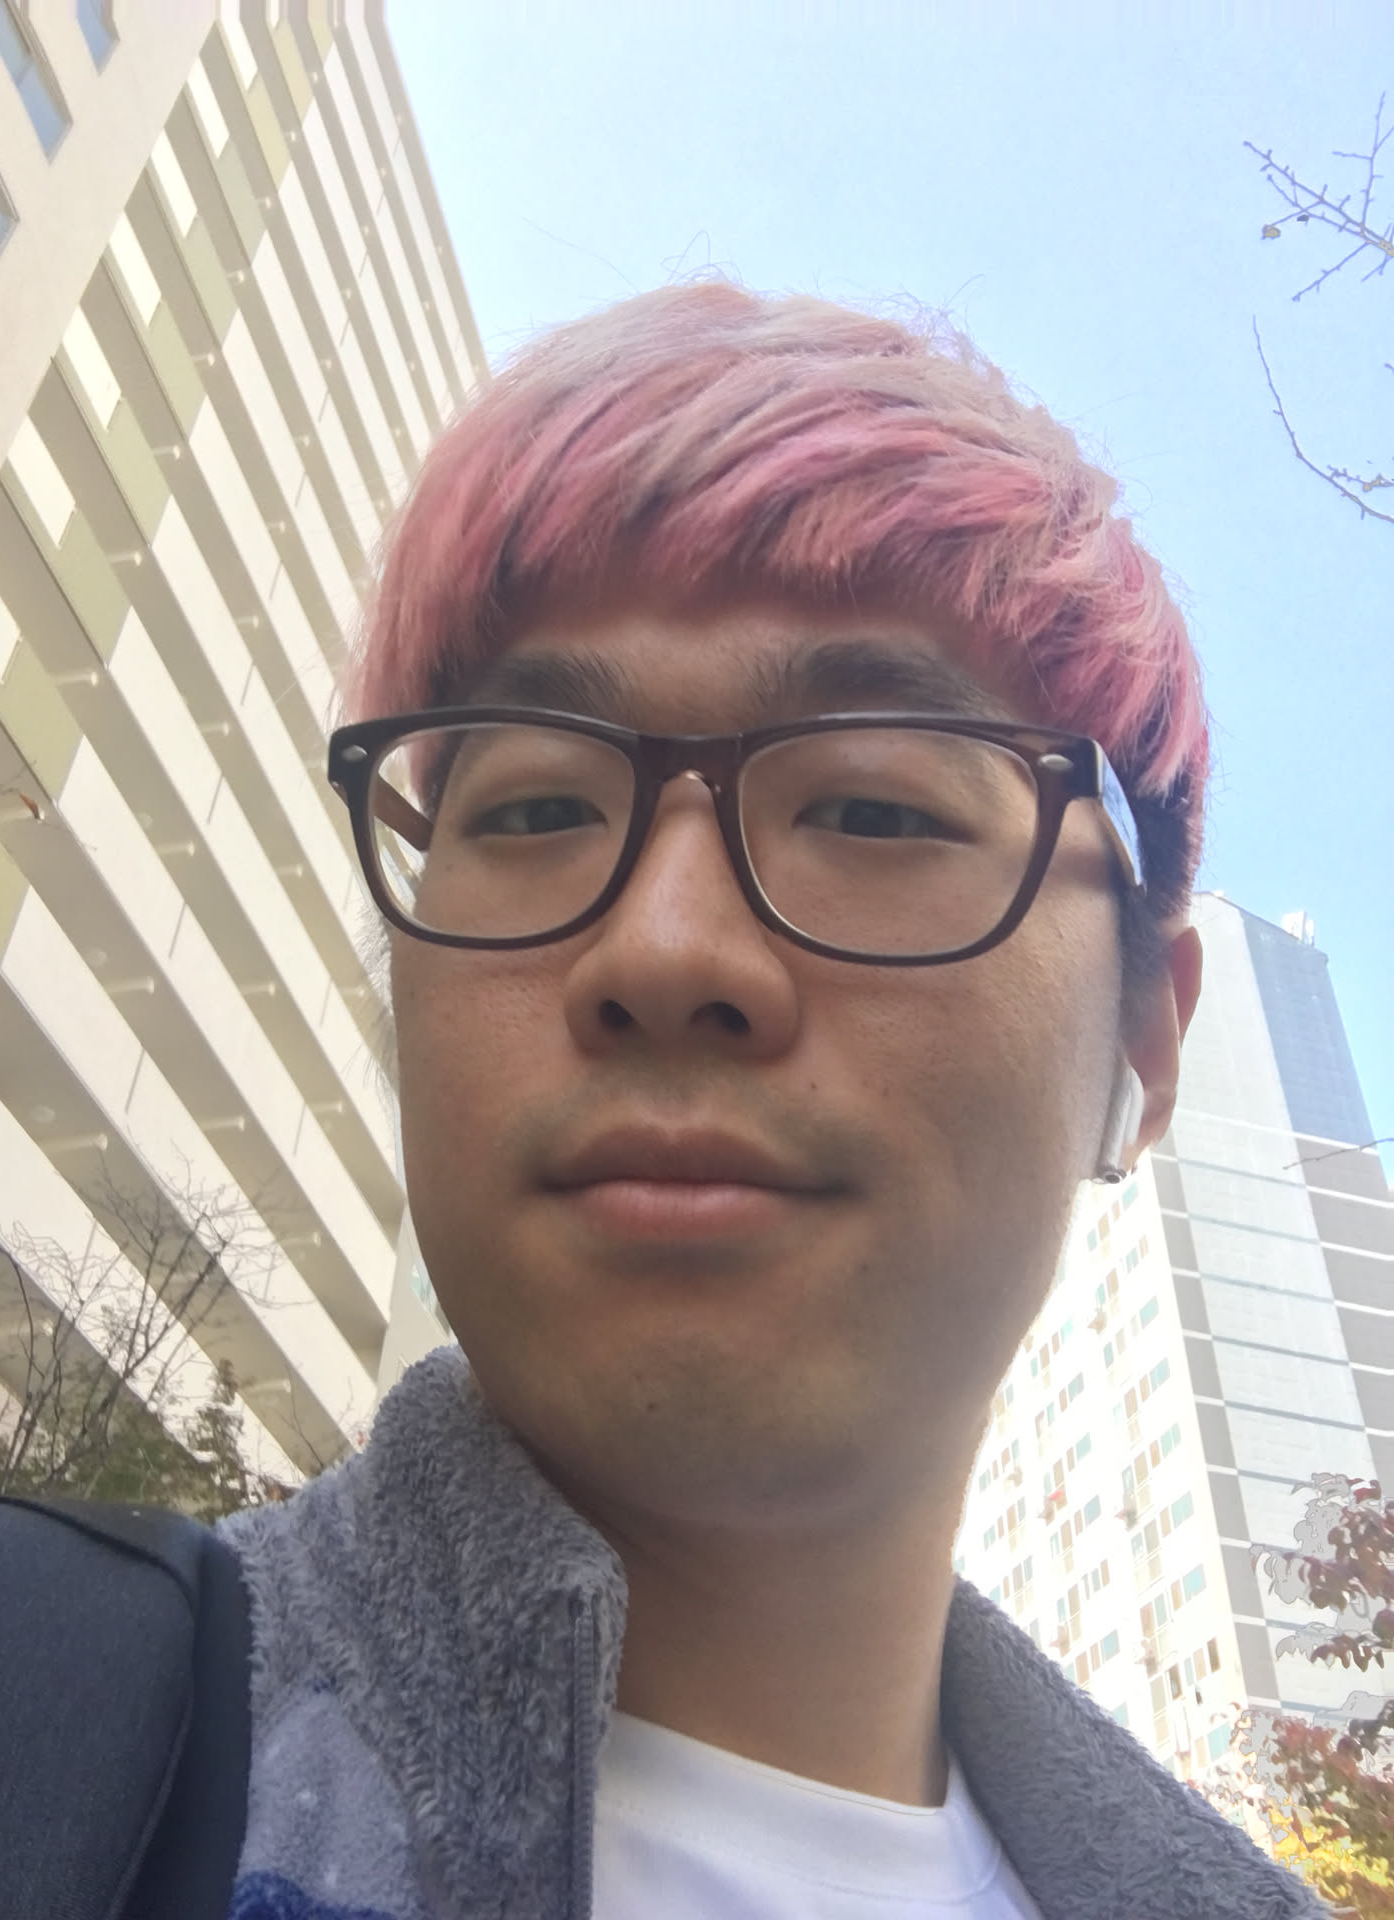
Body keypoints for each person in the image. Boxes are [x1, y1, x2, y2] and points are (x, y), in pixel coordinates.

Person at [217, 283, 1323, 1920]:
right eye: (534, 807)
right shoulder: (36, 1731)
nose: (663, 948)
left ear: (1144, 1053)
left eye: (874, 810)